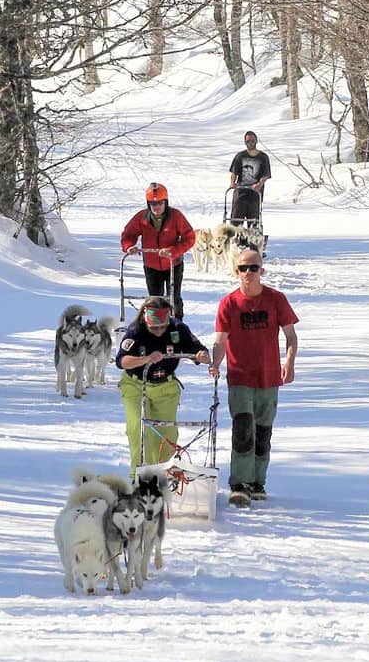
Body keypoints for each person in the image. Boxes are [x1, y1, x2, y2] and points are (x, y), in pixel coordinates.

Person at [209, 247, 297, 504]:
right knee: (243, 429)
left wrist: (289, 363)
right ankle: (240, 484)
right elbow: (220, 341)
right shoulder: (229, 303)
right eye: (243, 268)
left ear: (262, 270)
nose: (248, 273)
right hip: (239, 377)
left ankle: (258, 482)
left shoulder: (276, 299)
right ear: (236, 271)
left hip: (269, 377)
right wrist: (215, 363)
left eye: (254, 267)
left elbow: (291, 336)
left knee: (263, 432)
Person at [117, 295, 210, 473]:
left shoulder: (178, 328)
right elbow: (122, 361)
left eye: (162, 326)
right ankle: (141, 475)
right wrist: (146, 359)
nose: (159, 330)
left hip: (165, 387)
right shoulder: (135, 331)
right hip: (136, 384)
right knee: (139, 430)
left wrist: (202, 356)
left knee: (166, 434)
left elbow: (198, 349)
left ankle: (164, 472)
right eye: (154, 327)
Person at [120, 181, 196, 320]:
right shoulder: (141, 218)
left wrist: (173, 250)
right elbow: (128, 234)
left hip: (173, 264)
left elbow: (189, 238)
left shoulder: (176, 216)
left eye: (160, 203)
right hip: (151, 265)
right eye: (153, 204)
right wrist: (129, 246)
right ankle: (155, 327)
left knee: (174, 297)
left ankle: (177, 325)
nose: (157, 207)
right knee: (155, 299)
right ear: (148, 204)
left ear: (165, 202)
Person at [225, 130, 272, 225]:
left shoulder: (263, 157)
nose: (250, 143)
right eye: (248, 141)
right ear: (245, 142)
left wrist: (259, 184)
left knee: (254, 222)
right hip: (240, 193)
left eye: (252, 141)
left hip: (255, 194)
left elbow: (266, 175)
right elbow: (234, 172)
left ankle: (253, 237)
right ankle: (236, 237)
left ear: (256, 141)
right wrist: (232, 182)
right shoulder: (240, 156)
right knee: (236, 221)